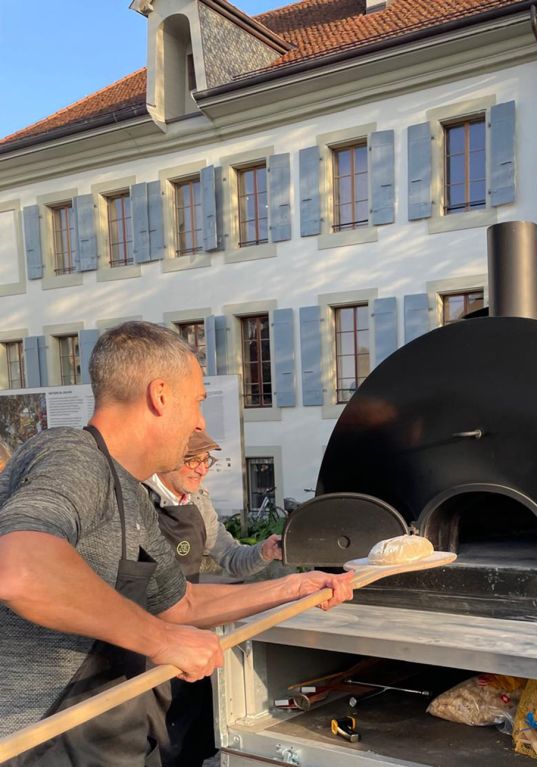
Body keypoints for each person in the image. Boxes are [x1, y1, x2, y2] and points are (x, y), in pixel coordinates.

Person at [0, 321, 353, 767]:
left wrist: (295, 587)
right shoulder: (75, 456)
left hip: (107, 745)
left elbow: (180, 605)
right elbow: (23, 570)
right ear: (161, 395)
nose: (200, 421)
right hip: (38, 746)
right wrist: (163, 639)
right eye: (198, 401)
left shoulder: (131, 494)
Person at [143, 429, 282, 766]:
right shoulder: (138, 501)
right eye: (192, 460)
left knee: (190, 738)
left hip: (190, 633)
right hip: (146, 639)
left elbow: (232, 558)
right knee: (154, 746)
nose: (202, 468)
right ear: (165, 457)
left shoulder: (198, 501)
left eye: (206, 460)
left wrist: (264, 551)